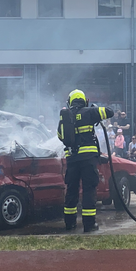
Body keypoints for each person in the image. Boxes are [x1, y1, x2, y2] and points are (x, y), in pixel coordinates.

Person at [57, 89, 114, 232]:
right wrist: (94, 108)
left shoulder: (65, 117)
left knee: (71, 191)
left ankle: (69, 223)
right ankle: (89, 225)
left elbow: (60, 135)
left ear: (69, 102)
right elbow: (110, 112)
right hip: (88, 159)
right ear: (84, 100)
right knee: (89, 190)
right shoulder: (89, 112)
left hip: (72, 160)